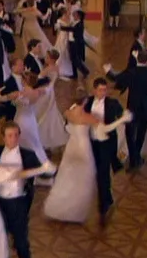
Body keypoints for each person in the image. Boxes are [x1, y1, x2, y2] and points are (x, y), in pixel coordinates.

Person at [0, 124, 55, 258]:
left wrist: (50, 169)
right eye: (9, 136)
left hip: (19, 204)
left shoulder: (28, 155)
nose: (13, 139)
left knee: (22, 243)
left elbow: (44, 174)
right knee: (1, 244)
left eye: (16, 135)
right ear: (3, 137)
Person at [44, 89, 131, 224]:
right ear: (85, 101)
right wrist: (122, 120)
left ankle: (61, 206)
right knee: (83, 179)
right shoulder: (87, 117)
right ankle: (75, 209)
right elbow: (106, 128)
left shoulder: (69, 112)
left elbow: (67, 124)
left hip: (71, 147)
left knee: (68, 175)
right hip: (83, 148)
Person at [103, 52, 147, 171]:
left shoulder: (131, 72)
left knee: (130, 133)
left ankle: (133, 158)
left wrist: (108, 70)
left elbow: (115, 78)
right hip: (146, 107)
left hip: (133, 106)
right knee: (141, 132)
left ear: (137, 59)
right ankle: (137, 156)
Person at [85, 77, 125, 226]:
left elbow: (121, 115)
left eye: (105, 89)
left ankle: (103, 204)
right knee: (97, 172)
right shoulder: (88, 102)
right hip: (91, 142)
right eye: (100, 89)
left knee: (103, 172)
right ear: (94, 90)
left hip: (106, 143)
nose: (103, 92)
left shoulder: (112, 103)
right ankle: (107, 197)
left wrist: (124, 118)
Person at [35, 50, 69, 152]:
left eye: (47, 57)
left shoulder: (48, 69)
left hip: (45, 92)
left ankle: (42, 137)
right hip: (51, 91)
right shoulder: (56, 68)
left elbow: (38, 79)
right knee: (50, 112)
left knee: (41, 112)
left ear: (51, 59)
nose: (45, 58)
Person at [57, 4, 90, 80]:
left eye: (74, 14)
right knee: (72, 59)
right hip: (72, 42)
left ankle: (85, 71)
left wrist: (61, 27)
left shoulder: (79, 24)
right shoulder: (75, 22)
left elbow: (71, 29)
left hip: (76, 44)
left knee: (76, 59)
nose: (73, 15)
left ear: (78, 15)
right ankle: (74, 74)